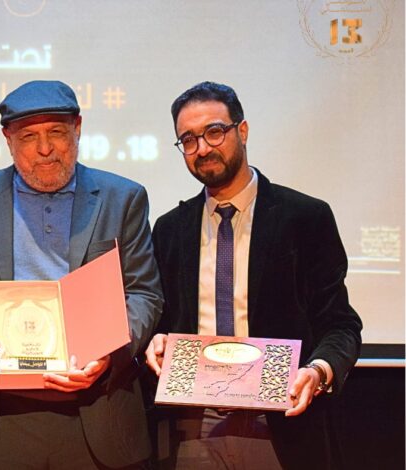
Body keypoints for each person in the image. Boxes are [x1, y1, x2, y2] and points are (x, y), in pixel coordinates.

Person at [0, 80, 163, 470]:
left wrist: (108, 352)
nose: (45, 149)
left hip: (98, 409)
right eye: (29, 137)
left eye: (56, 133)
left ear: (78, 128)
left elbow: (144, 294)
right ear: (7, 139)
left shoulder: (123, 198)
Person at [145, 81, 363, 469]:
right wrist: (157, 340)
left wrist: (317, 371)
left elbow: (341, 325)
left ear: (242, 131)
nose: (202, 148)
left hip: (283, 421)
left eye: (214, 132)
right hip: (194, 425)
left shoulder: (305, 218)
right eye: (188, 139)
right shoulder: (170, 229)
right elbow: (161, 323)